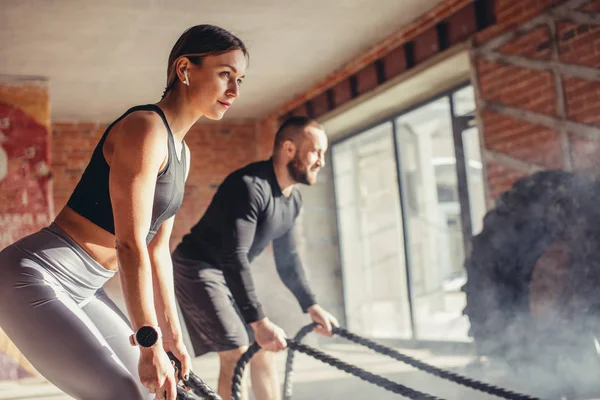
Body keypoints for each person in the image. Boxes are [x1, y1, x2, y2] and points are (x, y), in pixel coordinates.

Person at [0, 24, 248, 400]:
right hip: (33, 275)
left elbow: (157, 249)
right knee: (121, 392)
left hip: (87, 287)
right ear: (184, 69)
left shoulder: (182, 153)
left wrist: (172, 338)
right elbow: (130, 243)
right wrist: (149, 346)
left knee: (150, 391)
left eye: (240, 79)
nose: (234, 91)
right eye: (224, 75)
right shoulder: (144, 127)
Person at [172, 115, 340, 400]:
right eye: (316, 152)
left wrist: (311, 305)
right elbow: (235, 257)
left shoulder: (292, 199)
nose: (321, 161)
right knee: (237, 353)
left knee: (265, 348)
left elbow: (289, 259)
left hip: (226, 271)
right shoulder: (249, 186)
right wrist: (259, 322)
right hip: (197, 267)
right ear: (289, 149)